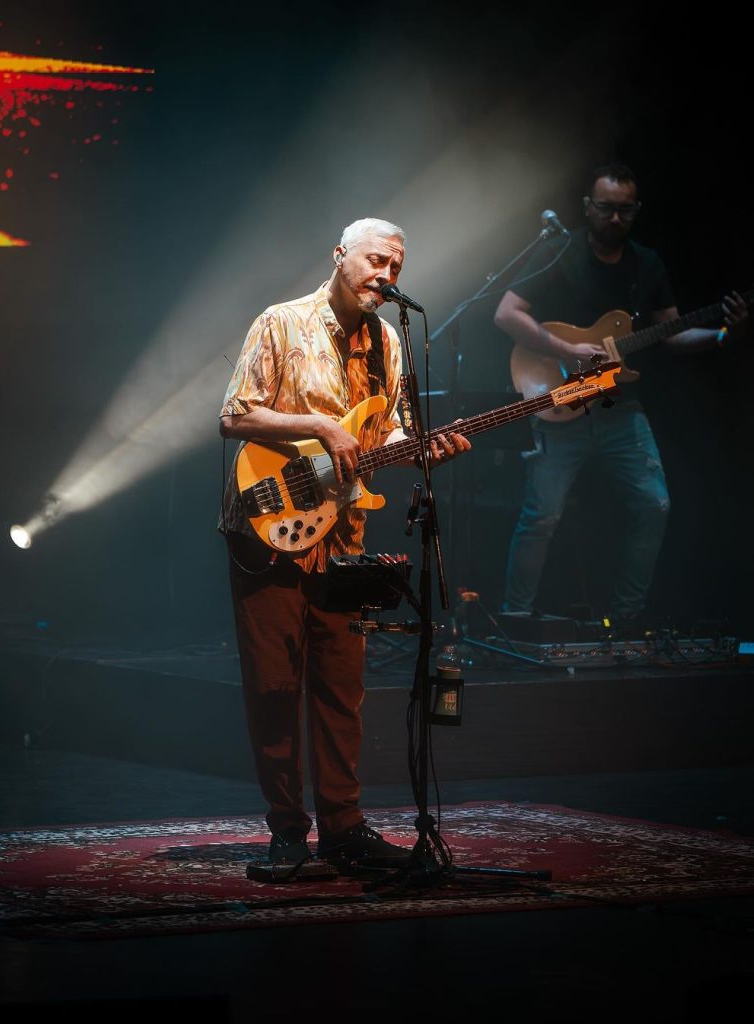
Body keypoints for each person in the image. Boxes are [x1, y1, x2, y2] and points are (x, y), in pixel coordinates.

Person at [219, 218, 470, 868]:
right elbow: (234, 414)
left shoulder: (389, 340)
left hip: (342, 537)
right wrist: (323, 428)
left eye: (396, 267)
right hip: (268, 525)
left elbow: (390, 435)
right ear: (339, 256)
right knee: (274, 689)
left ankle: (343, 826)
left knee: (341, 690)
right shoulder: (281, 322)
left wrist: (423, 451)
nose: (387, 276)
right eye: (377, 260)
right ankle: (286, 831)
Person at [495, 164, 747, 625]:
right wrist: (568, 349)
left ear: (636, 210)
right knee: (542, 515)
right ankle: (514, 618)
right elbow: (507, 314)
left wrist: (722, 335)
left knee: (655, 505)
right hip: (564, 401)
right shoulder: (559, 251)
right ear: (588, 206)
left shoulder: (646, 265)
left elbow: (670, 333)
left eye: (625, 210)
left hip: (620, 409)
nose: (615, 218)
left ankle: (626, 621)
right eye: (606, 208)